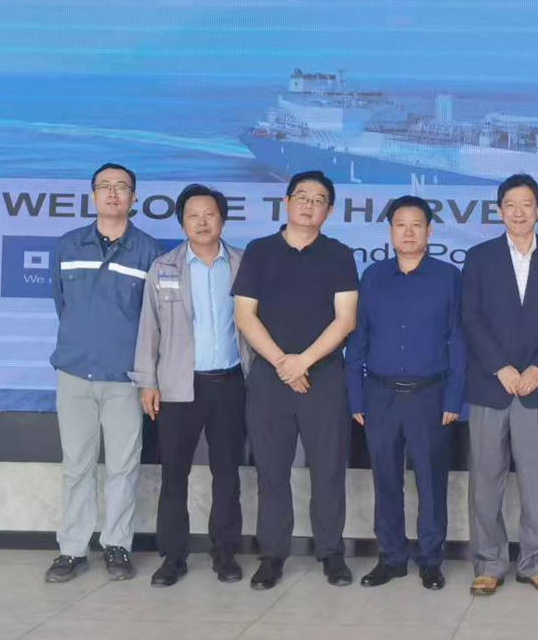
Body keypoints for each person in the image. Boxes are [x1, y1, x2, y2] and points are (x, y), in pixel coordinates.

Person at [232, 171, 359, 590]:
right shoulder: (259, 251)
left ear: (329, 210)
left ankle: (331, 553)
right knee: (271, 471)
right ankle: (272, 555)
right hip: (270, 380)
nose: (309, 205)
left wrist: (303, 361)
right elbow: (244, 315)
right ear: (286, 202)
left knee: (328, 471)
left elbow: (345, 319)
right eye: (302, 197)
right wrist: (282, 364)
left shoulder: (339, 255)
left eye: (319, 200)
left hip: (324, 378)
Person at [132, 185, 253, 587]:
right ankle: (173, 557)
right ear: (182, 222)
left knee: (227, 474)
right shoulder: (163, 267)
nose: (202, 222)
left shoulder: (242, 264)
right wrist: (147, 382)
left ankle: (225, 553)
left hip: (230, 384)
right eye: (193, 216)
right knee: (174, 475)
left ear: (222, 219)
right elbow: (149, 328)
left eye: (210, 214)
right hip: (178, 387)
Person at [44, 163, 160, 583]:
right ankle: (72, 550)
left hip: (124, 379)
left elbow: (153, 320)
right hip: (74, 373)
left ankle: (116, 546)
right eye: (104, 187)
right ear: (92, 195)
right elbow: (62, 305)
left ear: (134, 197)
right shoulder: (67, 245)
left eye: (121, 187)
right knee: (76, 465)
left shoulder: (149, 251)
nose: (113, 193)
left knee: (123, 468)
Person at [461, 173, 538, 596]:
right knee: (485, 479)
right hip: (491, 385)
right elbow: (471, 317)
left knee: (537, 480)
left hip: (537, 387)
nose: (519, 212)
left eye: (527, 204)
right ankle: (488, 563)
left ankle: (536, 563)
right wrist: (501, 368)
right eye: (510, 205)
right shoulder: (479, 257)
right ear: (499, 211)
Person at [346, 196, 465, 591]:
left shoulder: (448, 277)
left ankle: (430, 560)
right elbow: (358, 338)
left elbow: (458, 340)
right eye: (401, 225)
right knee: (385, 479)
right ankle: (392, 558)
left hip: (429, 396)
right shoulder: (373, 276)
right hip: (380, 395)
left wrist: (453, 398)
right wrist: (356, 396)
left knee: (431, 482)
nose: (409, 232)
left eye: (417, 225)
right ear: (390, 231)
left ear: (429, 231)